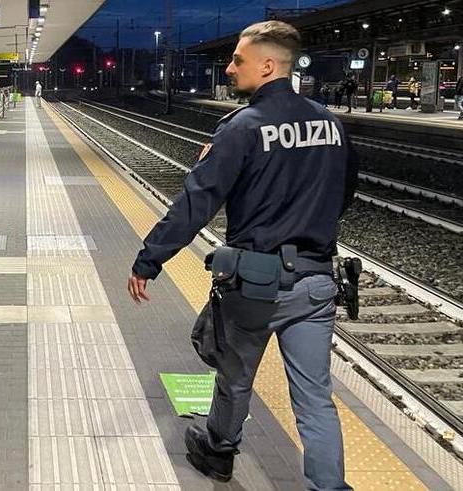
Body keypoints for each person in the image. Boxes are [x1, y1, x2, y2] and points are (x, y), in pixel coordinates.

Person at [128, 20, 356, 490]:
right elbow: (344, 191)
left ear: (267, 65)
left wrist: (149, 260)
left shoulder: (243, 127)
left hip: (255, 284)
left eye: (238, 60)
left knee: (235, 377)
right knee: (315, 398)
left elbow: (197, 203)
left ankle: (219, 452)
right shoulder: (331, 124)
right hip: (316, 282)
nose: (230, 69)